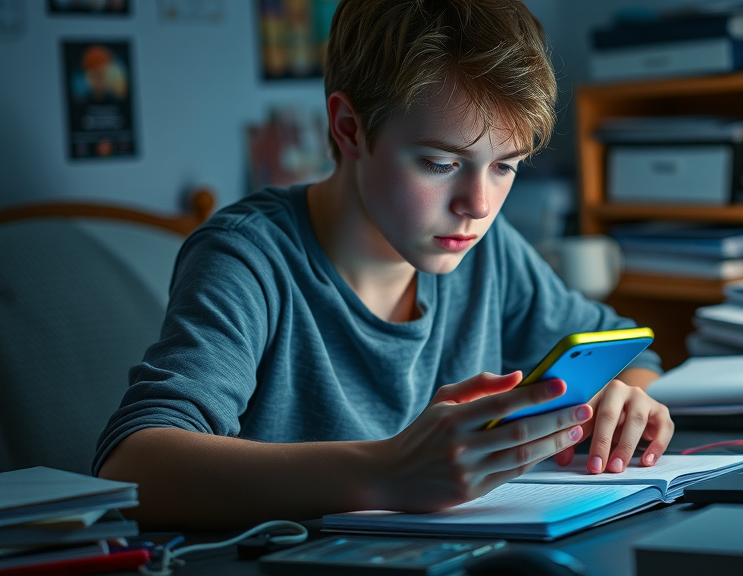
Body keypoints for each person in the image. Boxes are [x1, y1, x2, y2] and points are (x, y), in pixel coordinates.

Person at [95, 0, 673, 530]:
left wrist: (624, 397)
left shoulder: (485, 252)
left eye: (505, 166)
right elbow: (130, 466)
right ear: (349, 128)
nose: (479, 206)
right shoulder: (248, 258)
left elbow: (630, 349)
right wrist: (384, 471)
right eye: (440, 163)